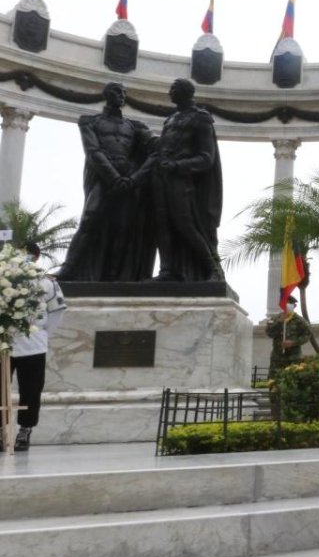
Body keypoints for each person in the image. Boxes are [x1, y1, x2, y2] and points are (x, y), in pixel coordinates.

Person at [59, 82, 157, 282]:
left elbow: (153, 145)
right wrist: (114, 178)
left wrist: (133, 178)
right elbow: (93, 151)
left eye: (123, 92)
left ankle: (113, 275)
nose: (121, 95)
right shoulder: (89, 121)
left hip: (128, 181)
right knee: (89, 218)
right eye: (116, 91)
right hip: (104, 179)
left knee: (122, 227)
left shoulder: (135, 126)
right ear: (106, 94)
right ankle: (68, 269)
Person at [146, 78, 225, 282]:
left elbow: (207, 157)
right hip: (160, 176)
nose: (170, 92)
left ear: (185, 92)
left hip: (182, 179)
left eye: (173, 88)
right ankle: (167, 270)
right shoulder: (170, 120)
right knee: (162, 225)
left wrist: (177, 166)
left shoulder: (201, 118)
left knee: (186, 225)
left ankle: (213, 269)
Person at [10, 242, 67, 452]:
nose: (24, 259)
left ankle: (25, 430)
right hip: (3, 344)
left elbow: (57, 312)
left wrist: (41, 333)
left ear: (36, 257)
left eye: (28, 255)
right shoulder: (3, 278)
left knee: (31, 391)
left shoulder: (46, 283)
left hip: (32, 345)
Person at [264, 296, 312, 378]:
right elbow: (269, 333)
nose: (287, 305)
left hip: (294, 357)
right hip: (277, 357)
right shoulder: (274, 319)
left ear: (294, 306)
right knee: (274, 381)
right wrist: (280, 322)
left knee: (293, 380)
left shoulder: (300, 320)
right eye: (285, 303)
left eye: (290, 303)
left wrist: (293, 343)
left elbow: (307, 334)